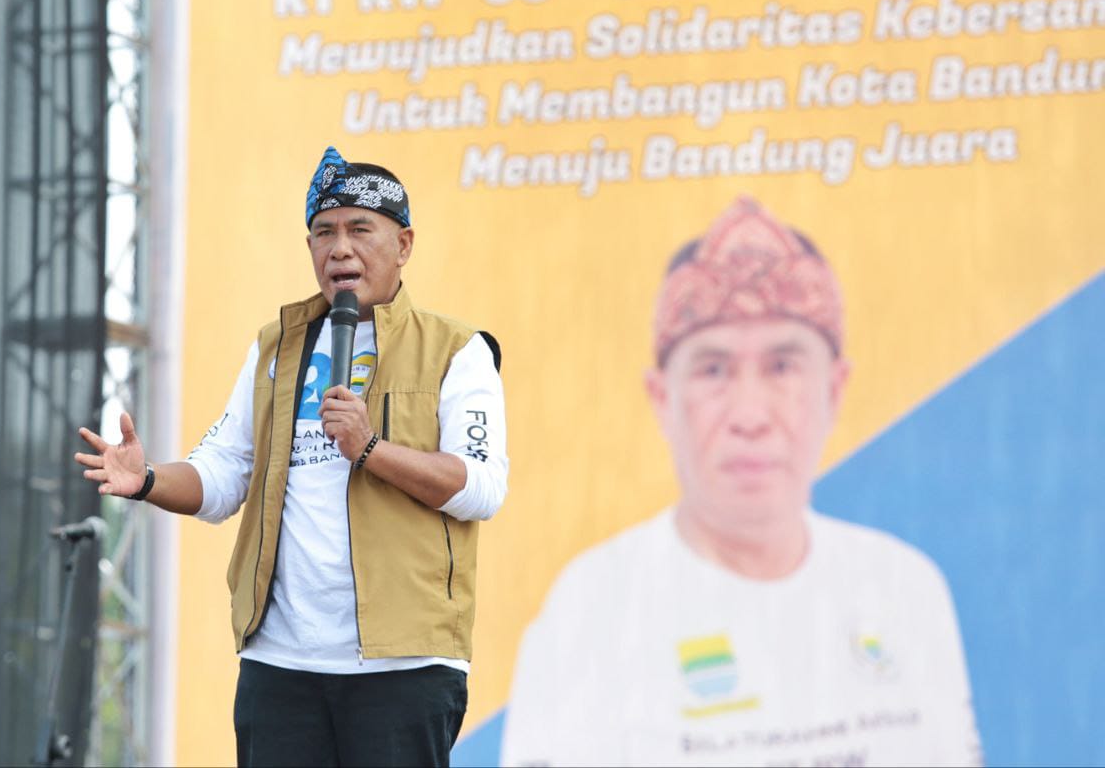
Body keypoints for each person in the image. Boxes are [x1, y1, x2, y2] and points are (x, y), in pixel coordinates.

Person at [500, 197, 980, 767]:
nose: (750, 415)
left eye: (782, 367)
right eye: (713, 370)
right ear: (662, 398)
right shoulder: (593, 609)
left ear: (834, 389)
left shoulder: (904, 589)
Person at [76, 146, 509, 767]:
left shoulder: (457, 349)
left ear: (404, 244)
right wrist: (145, 478)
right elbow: (224, 475)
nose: (340, 249)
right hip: (280, 664)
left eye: (360, 229)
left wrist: (370, 449)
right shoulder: (275, 347)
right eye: (323, 233)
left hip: (404, 665)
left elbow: (481, 488)